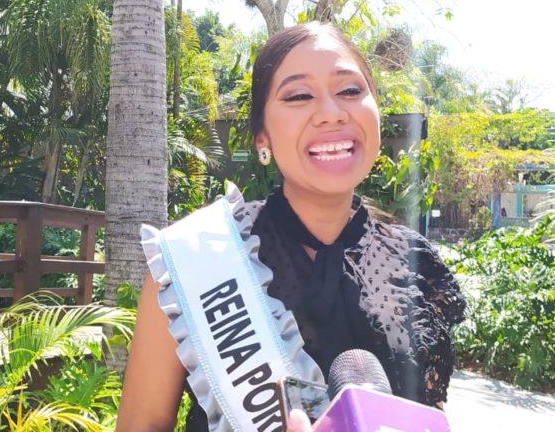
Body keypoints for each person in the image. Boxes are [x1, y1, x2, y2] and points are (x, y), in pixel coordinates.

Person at [116, 22, 466, 432]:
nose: (332, 113)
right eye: (299, 96)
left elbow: (429, 416)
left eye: (350, 90)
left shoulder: (416, 263)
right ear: (262, 137)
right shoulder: (197, 257)